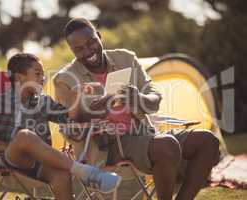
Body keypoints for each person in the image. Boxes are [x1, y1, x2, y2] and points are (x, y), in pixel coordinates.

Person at [53, 18, 220, 200]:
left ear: (99, 37)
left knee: (208, 141)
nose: (88, 51)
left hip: (145, 134)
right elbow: (70, 130)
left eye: (91, 42)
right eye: (79, 49)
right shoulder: (66, 79)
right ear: (72, 51)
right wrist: (99, 109)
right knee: (167, 145)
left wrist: (138, 98)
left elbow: (154, 96)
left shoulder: (126, 58)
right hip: (107, 147)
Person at [0, 53, 122, 200]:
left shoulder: (44, 102)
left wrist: (75, 96)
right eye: (37, 74)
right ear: (19, 77)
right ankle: (86, 172)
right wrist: (18, 146)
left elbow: (68, 118)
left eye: (43, 74)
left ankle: (86, 173)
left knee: (62, 175)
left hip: (36, 163)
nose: (43, 78)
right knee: (24, 136)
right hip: (5, 161)